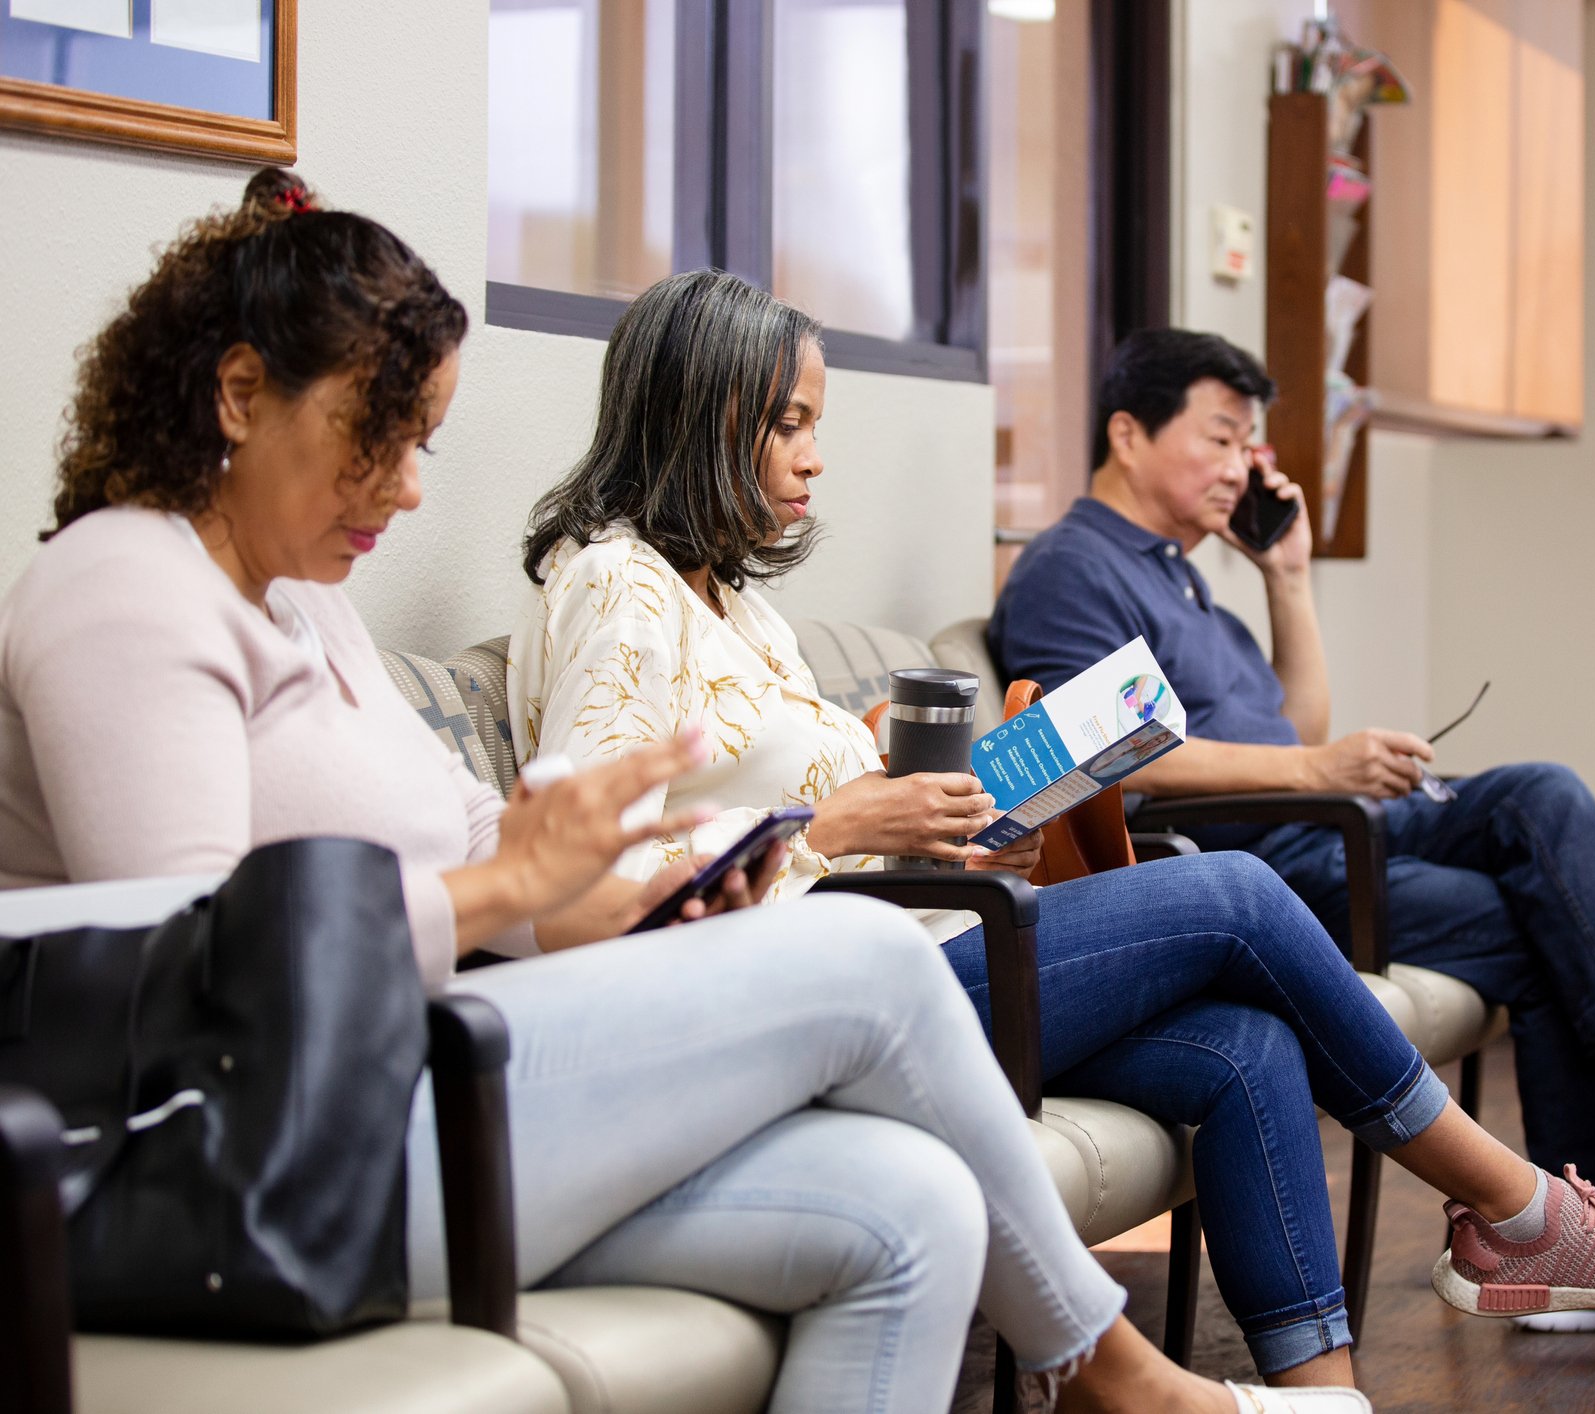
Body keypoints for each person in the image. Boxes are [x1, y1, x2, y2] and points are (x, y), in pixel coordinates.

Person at [0, 172, 1353, 1414]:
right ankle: (1133, 1381)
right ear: (239, 394)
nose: (411, 488)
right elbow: (183, 980)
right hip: (242, 1162)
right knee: (867, 957)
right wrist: (503, 891)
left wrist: (637, 883)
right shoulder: (123, 586)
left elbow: (482, 846)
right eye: (380, 437)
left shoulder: (301, 600)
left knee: (916, 1208)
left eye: (424, 442)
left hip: (400, 1086)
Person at [508, 268, 1595, 1390]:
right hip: (811, 994)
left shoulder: (739, 605)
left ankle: (1325, 1400)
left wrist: (956, 827)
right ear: (687, 413)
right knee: (1239, 891)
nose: (815, 460)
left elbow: (802, 817)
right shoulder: (614, 586)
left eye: (815, 424)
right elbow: (588, 886)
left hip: (912, 943)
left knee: (1247, 1045)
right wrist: (839, 817)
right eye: (787, 425)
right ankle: (1514, 1210)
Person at [989, 327, 1595, 1335]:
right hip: (1262, 863)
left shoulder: (1188, 577)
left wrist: (1288, 580)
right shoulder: (1073, 568)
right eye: (1221, 438)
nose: (1241, 468)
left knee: (1542, 791)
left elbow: (1294, 723)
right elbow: (1081, 755)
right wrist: (1313, 773)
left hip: (1323, 824)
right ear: (1128, 434)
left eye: (1249, 447)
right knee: (1539, 919)